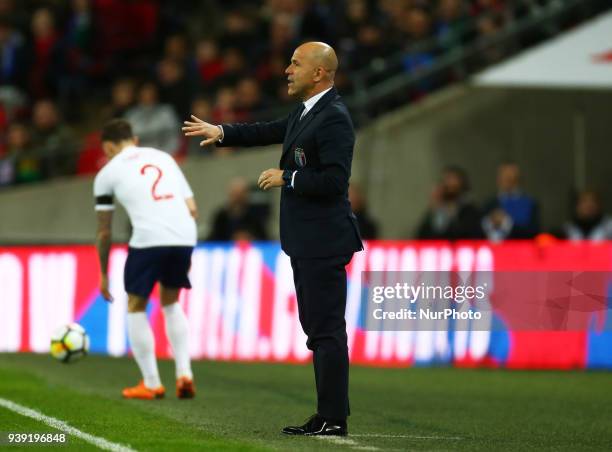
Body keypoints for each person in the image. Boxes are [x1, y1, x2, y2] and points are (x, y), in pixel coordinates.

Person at [183, 41, 363, 437]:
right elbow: (270, 130)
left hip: (324, 239)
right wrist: (223, 132)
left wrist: (289, 177)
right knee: (317, 327)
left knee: (326, 329)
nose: (287, 69)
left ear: (319, 73)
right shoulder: (305, 110)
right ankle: (328, 413)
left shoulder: (334, 117)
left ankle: (333, 417)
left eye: (296, 63)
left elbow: (335, 180)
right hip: (307, 240)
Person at [94, 119, 198, 400]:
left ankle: (151, 382)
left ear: (109, 146)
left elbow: (104, 231)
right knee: (171, 300)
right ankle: (184, 373)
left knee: (136, 304)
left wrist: (103, 273)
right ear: (134, 139)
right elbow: (192, 207)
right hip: (184, 234)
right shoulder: (163, 157)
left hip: (149, 238)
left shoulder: (106, 173)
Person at [417, 166, 483, 240]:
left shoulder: (470, 211)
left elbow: (469, 234)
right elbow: (422, 237)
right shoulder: (436, 210)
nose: (448, 184)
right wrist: (435, 211)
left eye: (452, 180)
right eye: (445, 180)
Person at [481, 162, 539, 241]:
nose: (507, 179)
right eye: (504, 176)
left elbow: (534, 232)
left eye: (510, 177)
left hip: (520, 249)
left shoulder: (529, 203)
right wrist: (490, 223)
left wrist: (506, 223)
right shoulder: (489, 204)